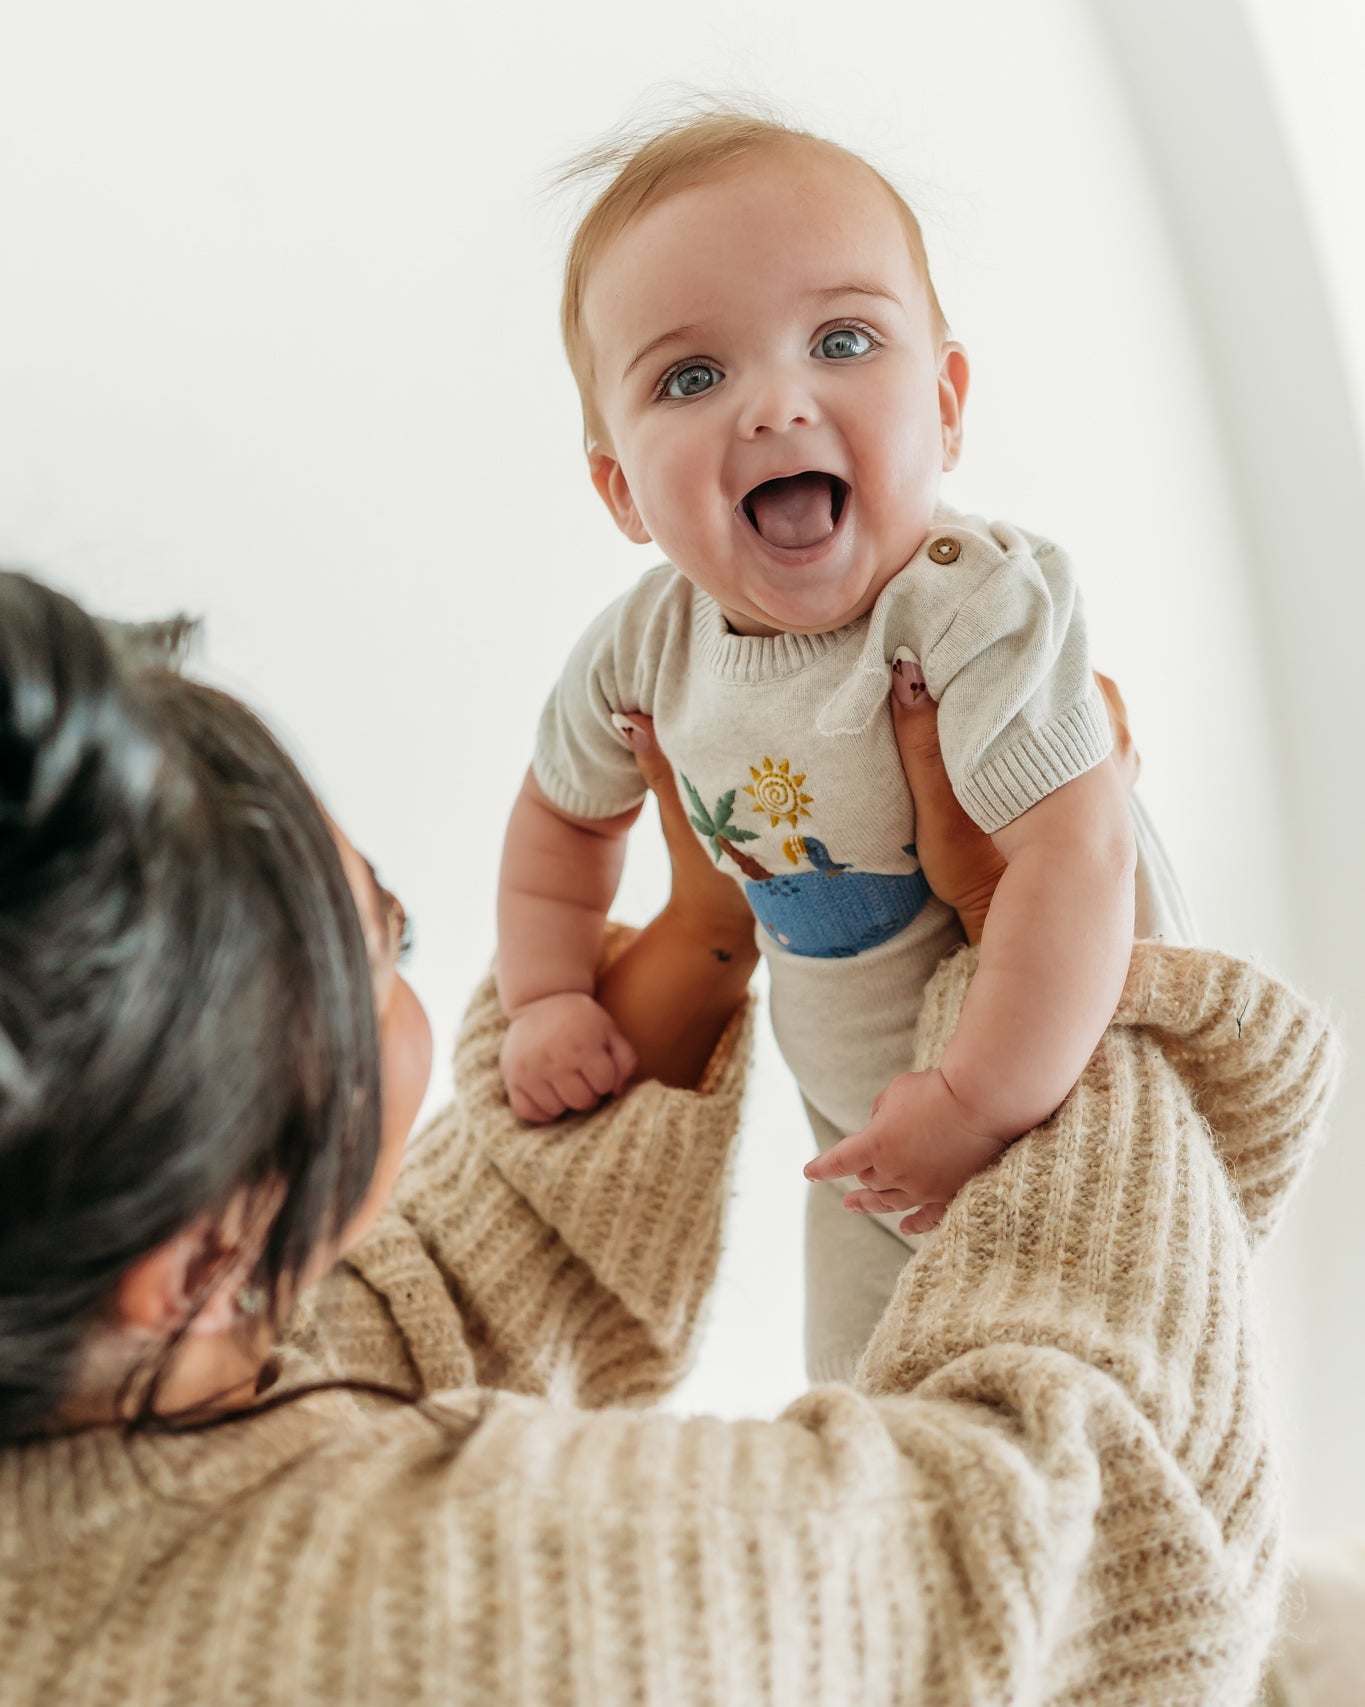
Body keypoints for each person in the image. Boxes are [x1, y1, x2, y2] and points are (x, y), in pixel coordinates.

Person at [0, 570, 1336, 1705]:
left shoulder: (82, 1386)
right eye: (384, 940)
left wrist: (714, 914)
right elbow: (1073, 1546)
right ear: (194, 1255)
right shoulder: (436, 1612)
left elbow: (438, 1295)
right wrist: (1063, 942)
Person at [494, 106, 1190, 1378]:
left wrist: (979, 1102)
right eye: (691, 377)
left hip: (1065, 1070)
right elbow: (562, 821)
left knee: (1094, 1376)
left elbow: (1074, 861)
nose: (777, 404)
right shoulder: (644, 648)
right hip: (862, 1123)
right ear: (619, 491)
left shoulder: (972, 603)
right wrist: (543, 995)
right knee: (864, 1402)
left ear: (946, 403)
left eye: (844, 340)